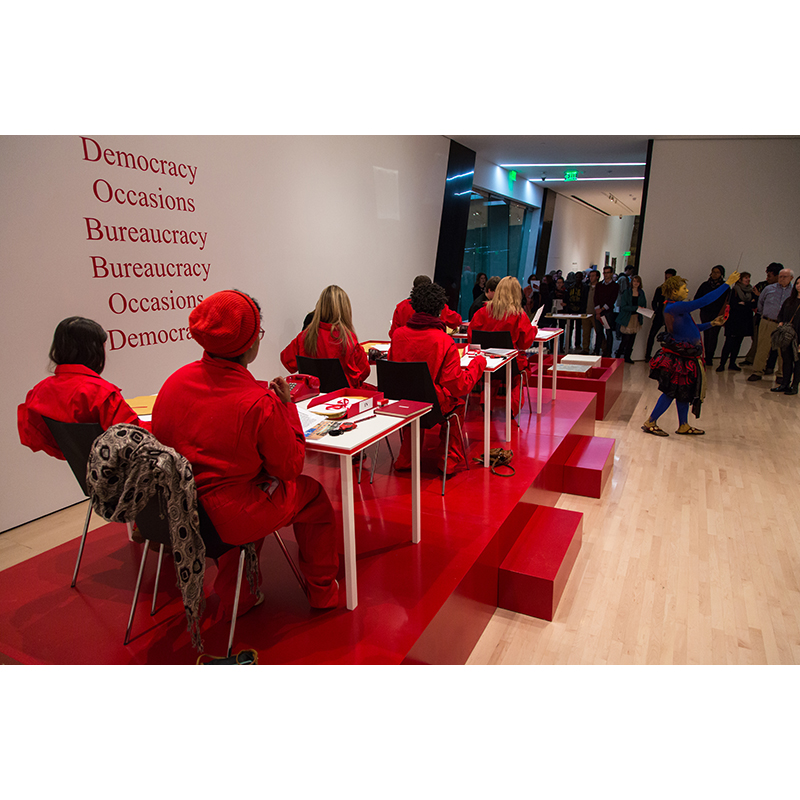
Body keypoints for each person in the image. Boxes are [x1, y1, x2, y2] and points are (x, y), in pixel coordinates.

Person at [152, 289, 340, 618]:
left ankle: (239, 593)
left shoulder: (173, 383)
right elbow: (289, 467)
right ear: (251, 343)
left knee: (240, 488)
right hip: (228, 518)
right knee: (312, 497)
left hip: (176, 511)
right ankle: (322, 590)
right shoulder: (258, 401)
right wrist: (287, 408)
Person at [389, 281, 486, 474]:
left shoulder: (398, 335)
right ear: (440, 309)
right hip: (432, 406)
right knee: (457, 405)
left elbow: (395, 373)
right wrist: (478, 364)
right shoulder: (443, 340)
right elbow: (458, 385)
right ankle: (448, 462)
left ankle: (406, 459)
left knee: (413, 396)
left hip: (404, 404)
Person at [18, 316, 143, 460]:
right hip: (118, 473)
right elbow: (135, 439)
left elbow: (33, 436)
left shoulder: (39, 391)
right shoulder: (102, 393)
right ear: (94, 351)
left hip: (82, 468)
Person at [642, 269, 740, 436]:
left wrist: (712, 324)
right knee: (671, 392)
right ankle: (651, 421)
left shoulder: (676, 308)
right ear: (674, 291)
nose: (687, 291)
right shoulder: (675, 307)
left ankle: (683, 425)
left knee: (683, 393)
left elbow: (692, 329)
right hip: (679, 359)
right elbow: (703, 301)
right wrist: (727, 284)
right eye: (684, 288)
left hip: (686, 358)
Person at [468, 276, 537, 417]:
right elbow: (525, 343)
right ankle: (513, 407)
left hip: (486, 361)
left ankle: (486, 403)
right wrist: (534, 329)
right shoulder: (518, 315)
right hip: (510, 363)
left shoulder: (481, 312)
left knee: (493, 375)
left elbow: (471, 338)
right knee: (520, 374)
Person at [281, 285, 372, 389]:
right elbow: (364, 372)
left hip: (311, 395)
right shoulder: (348, 339)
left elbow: (286, 360)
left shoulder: (305, 336)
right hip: (342, 398)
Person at [747, 267, 795, 383]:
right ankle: (757, 371)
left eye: (785, 277)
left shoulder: (794, 291)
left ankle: (781, 374)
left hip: (784, 324)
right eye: (780, 276)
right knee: (762, 347)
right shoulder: (769, 289)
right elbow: (760, 303)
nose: (782, 279)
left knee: (782, 350)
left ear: (791, 278)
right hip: (767, 321)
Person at [389, 275, 462, 336]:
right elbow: (456, 320)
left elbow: (393, 333)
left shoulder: (401, 307)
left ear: (413, 288)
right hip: (433, 344)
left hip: (406, 346)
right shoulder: (437, 305)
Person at [741, 262, 782, 365]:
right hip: (761, 317)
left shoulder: (784, 289)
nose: (767, 278)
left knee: (774, 344)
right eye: (767, 275)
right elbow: (755, 301)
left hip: (777, 319)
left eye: (770, 276)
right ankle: (753, 361)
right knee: (758, 340)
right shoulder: (762, 285)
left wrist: (759, 296)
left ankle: (769, 365)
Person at [717, 272, 756, 371]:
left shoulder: (751, 291)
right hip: (733, 321)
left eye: (749, 278)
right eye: (746, 278)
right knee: (729, 343)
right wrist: (747, 304)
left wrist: (745, 304)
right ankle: (722, 363)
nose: (748, 280)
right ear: (740, 279)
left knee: (738, 343)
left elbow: (754, 304)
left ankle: (732, 363)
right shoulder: (734, 290)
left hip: (744, 321)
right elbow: (734, 305)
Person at [769, 276, 800, 395]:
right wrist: (780, 322)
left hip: (798, 337)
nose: (798, 286)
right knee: (786, 360)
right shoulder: (789, 300)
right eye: (797, 283)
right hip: (786, 336)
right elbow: (781, 314)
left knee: (798, 362)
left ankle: (795, 385)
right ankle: (784, 384)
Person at [693, 265, 729, 365]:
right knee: (706, 335)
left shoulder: (724, 286)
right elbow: (697, 298)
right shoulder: (705, 285)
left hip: (717, 314)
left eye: (717, 272)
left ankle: (710, 357)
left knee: (713, 336)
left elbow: (726, 301)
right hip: (705, 313)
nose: (714, 274)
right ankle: (705, 356)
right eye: (713, 272)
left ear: (721, 274)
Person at [644, 269, 677, 361]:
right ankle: (647, 355)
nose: (667, 279)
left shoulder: (676, 291)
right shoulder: (660, 289)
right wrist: (656, 310)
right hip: (660, 315)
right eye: (666, 277)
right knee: (652, 334)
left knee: (669, 337)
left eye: (669, 278)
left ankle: (669, 356)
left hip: (670, 317)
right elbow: (654, 301)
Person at [616, 274, 647, 364]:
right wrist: (636, 308)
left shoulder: (641, 293)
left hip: (636, 318)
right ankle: (618, 355)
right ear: (631, 282)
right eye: (634, 281)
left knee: (632, 339)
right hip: (627, 318)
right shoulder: (627, 292)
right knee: (625, 339)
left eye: (637, 281)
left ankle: (627, 356)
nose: (636, 283)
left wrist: (640, 308)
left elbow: (644, 304)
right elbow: (624, 306)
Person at [593, 266, 619, 357]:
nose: (606, 275)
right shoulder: (599, 285)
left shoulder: (615, 286)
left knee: (608, 332)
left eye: (608, 273)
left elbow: (612, 300)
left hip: (608, 312)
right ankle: (596, 350)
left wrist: (602, 309)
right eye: (605, 273)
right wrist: (597, 310)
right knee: (599, 332)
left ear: (611, 274)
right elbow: (596, 298)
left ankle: (608, 352)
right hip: (598, 311)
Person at [581, 269, 600, 354]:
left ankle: (601, 348)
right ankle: (585, 349)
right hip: (586, 312)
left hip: (596, 313)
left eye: (593, 276)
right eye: (590, 276)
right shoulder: (586, 287)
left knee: (599, 332)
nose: (590, 278)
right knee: (585, 332)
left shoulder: (600, 288)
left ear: (597, 277)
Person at [567, 272, 587, 351]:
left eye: (580, 277)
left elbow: (584, 298)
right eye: (577, 277)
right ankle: (568, 343)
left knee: (578, 328)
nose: (578, 279)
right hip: (571, 309)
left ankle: (578, 344)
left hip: (580, 310)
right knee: (570, 327)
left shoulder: (584, 287)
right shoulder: (571, 287)